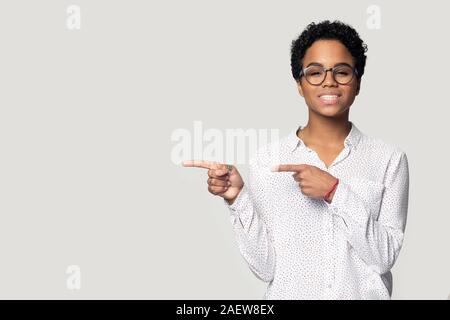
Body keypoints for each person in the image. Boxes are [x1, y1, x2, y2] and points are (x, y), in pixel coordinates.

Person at [183, 20, 409, 300]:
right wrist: (237, 197)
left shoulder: (389, 159)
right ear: (300, 85)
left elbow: (383, 257)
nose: (329, 81)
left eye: (342, 72)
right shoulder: (268, 160)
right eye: (315, 72)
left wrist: (335, 191)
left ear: (358, 82)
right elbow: (266, 268)